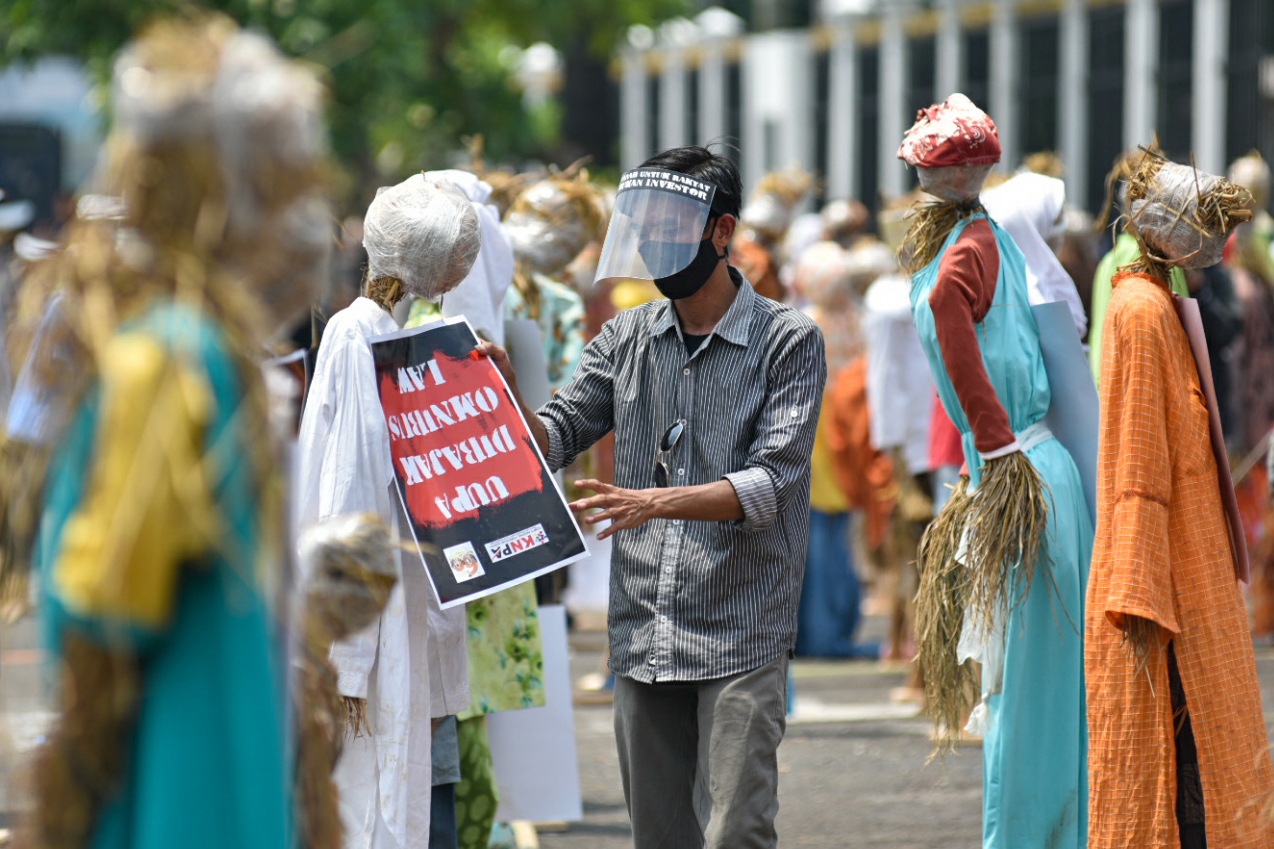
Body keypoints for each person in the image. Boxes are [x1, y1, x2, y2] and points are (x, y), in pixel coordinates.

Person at [21, 17, 326, 849]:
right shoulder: (172, 357)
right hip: (179, 785)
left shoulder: (186, 347)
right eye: (289, 181)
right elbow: (111, 614)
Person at [481, 145, 825, 848]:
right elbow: (562, 426)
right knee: (659, 836)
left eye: (669, 228)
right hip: (645, 628)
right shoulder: (626, 334)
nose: (651, 244)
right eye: (643, 229)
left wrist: (654, 502)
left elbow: (771, 483)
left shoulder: (788, 340)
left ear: (721, 232)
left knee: (739, 829)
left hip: (741, 625)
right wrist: (506, 404)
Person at [897, 94, 1091, 849]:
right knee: (1036, 677)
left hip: (1021, 472)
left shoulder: (971, 243)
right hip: (1023, 469)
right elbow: (950, 301)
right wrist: (997, 439)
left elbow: (948, 300)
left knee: (1033, 678)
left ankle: (1034, 832)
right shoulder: (979, 242)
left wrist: (995, 440)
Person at [1087, 149, 1274, 849]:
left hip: (1187, 562)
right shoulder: (1139, 309)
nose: (1216, 243)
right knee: (1172, 748)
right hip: (1163, 576)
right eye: (1205, 225)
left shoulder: (1158, 296)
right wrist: (1137, 586)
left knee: (1197, 742)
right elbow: (1135, 453)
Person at [295, 174, 479, 849]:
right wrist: (346, 655)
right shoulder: (357, 334)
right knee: (368, 805)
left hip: (387, 610)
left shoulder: (386, 333)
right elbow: (352, 493)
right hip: (370, 620)